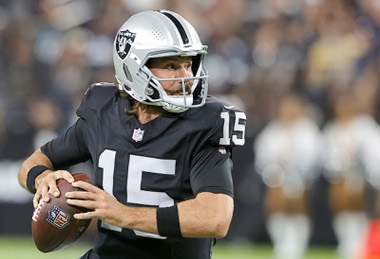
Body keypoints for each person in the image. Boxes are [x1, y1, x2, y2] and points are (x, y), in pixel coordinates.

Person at [17, 10, 246, 259]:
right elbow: (32, 164)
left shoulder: (204, 123)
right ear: (134, 67)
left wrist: (124, 214)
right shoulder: (102, 111)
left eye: (188, 64)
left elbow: (216, 217)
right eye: (171, 66)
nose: (187, 77)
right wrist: (43, 179)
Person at [254, 93, 322, 259]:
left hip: (302, 178)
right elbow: (262, 157)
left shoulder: (308, 130)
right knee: (275, 202)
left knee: (297, 205)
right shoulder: (273, 130)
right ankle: (281, 242)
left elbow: (314, 156)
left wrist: (294, 165)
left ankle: (298, 244)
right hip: (277, 178)